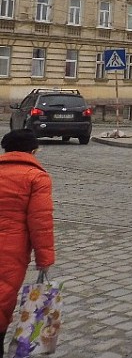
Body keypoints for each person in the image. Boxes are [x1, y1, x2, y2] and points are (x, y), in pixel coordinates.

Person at [0, 130, 55, 354]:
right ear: (33, 151)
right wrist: (45, 259)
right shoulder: (36, 177)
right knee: (3, 298)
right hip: (11, 250)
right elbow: (40, 222)